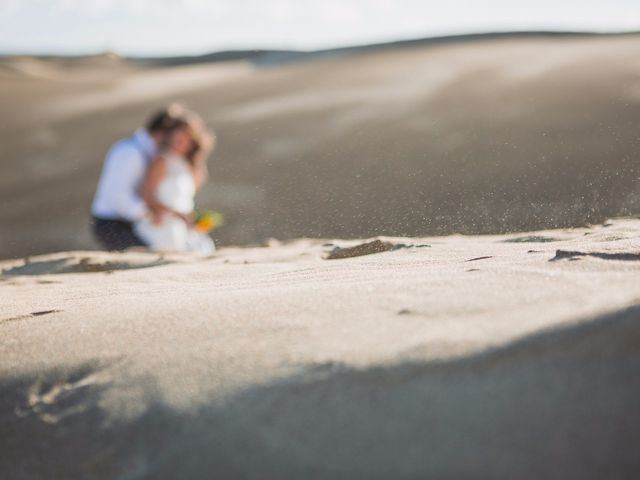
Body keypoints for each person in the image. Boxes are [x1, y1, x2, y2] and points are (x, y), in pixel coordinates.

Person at [90, 104, 187, 250]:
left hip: (129, 222)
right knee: (148, 258)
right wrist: (147, 215)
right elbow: (117, 196)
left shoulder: (145, 151)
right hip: (113, 224)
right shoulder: (130, 152)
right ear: (161, 133)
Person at [134, 115, 215, 254]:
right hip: (162, 224)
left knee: (205, 248)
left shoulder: (188, 165)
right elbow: (147, 195)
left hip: (184, 224)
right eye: (176, 140)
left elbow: (189, 194)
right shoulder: (162, 161)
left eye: (184, 140)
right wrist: (177, 214)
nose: (179, 144)